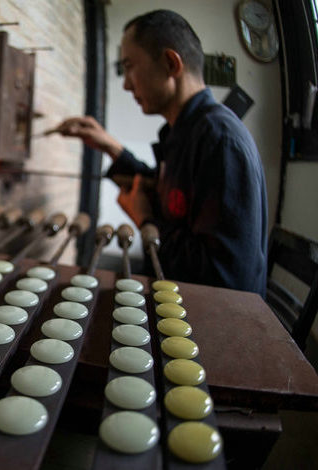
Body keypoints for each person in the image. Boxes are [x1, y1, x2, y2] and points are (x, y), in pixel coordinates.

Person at [58, 9, 268, 296]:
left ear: (170, 63)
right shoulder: (184, 130)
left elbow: (224, 281)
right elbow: (167, 192)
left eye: (130, 66)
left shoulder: (220, 139)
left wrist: (145, 220)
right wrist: (109, 145)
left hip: (204, 312)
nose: (126, 84)